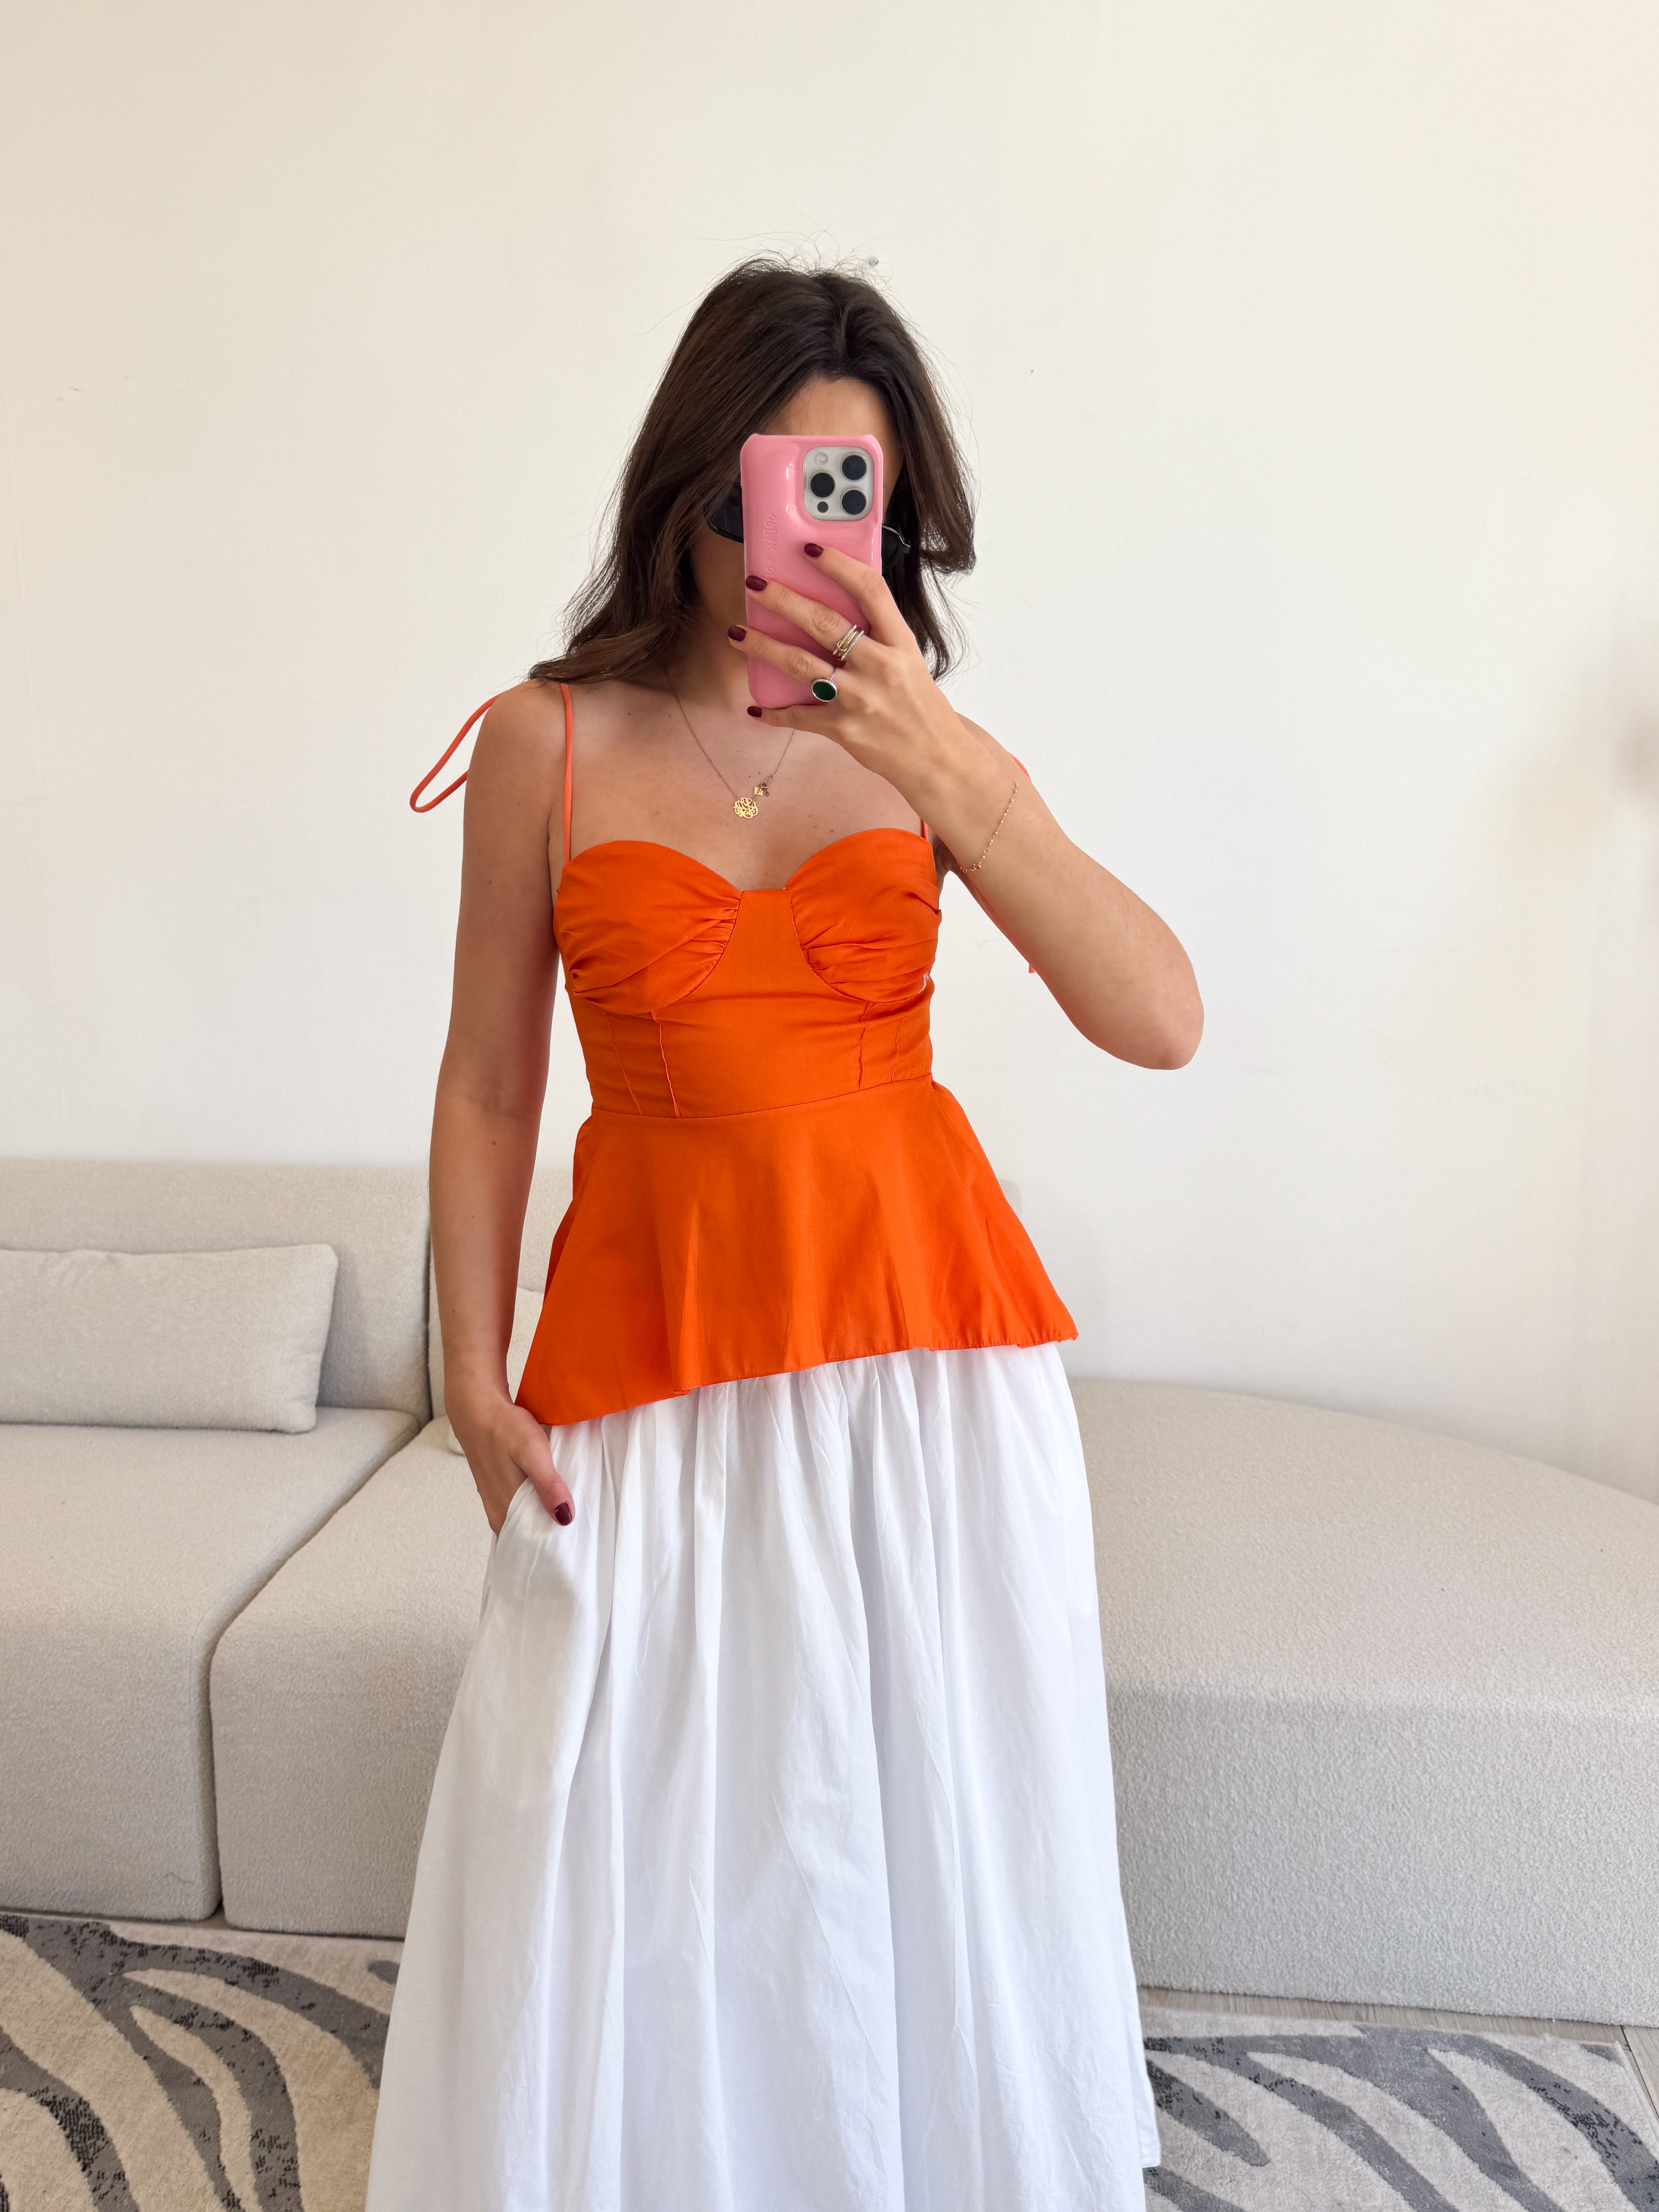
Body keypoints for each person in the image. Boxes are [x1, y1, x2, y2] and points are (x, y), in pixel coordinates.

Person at [366, 254, 1202, 2212]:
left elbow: (1161, 1017)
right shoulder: (546, 742)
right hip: (653, 1362)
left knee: (923, 1823)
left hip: (924, 1378)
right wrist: (469, 1377)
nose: (814, 545)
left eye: (860, 503)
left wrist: (946, 765)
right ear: (694, 484)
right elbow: (488, 1084)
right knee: (651, 1833)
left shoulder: (923, 750)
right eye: (783, 490)